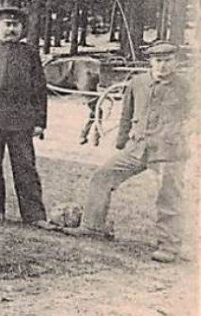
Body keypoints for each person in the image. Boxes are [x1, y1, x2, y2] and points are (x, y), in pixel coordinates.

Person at [80, 42, 192, 262]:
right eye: (158, 61)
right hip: (137, 147)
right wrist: (122, 142)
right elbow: (126, 115)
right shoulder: (137, 83)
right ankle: (92, 227)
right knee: (102, 176)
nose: (162, 66)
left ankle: (169, 246)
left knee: (168, 197)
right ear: (150, 62)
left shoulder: (187, 87)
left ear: (175, 62)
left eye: (168, 60)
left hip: (169, 152)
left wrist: (183, 133)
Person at [0, 4, 59, 229]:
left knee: (25, 167)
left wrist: (39, 122)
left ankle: (35, 215)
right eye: (7, 25)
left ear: (22, 28)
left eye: (16, 25)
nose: (11, 30)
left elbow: (39, 90)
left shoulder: (30, 54)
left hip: (22, 121)